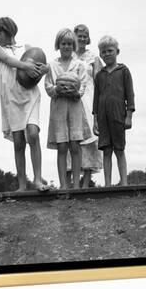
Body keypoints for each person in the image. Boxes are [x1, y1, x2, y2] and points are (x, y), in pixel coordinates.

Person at [0, 17, 49, 192]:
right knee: (18, 142)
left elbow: (40, 66)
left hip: (30, 95)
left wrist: (43, 69)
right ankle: (22, 185)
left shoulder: (27, 47)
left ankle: (38, 180)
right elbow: (8, 61)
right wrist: (26, 66)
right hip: (12, 98)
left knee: (33, 134)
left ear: (8, 31)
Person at [45, 28, 92, 189]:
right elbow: (48, 86)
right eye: (63, 43)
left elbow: (83, 84)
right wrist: (56, 89)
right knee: (62, 146)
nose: (66, 46)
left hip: (74, 107)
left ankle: (77, 185)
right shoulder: (51, 65)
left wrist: (75, 92)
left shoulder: (79, 65)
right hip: (58, 108)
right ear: (58, 45)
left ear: (74, 46)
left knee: (75, 145)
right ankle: (64, 185)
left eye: (70, 44)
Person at [93, 35, 135, 187]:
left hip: (119, 115)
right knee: (106, 151)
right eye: (103, 52)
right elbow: (96, 99)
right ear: (101, 54)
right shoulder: (99, 75)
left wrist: (129, 116)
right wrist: (95, 120)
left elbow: (130, 95)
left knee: (119, 149)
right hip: (103, 118)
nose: (107, 54)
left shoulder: (124, 71)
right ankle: (108, 185)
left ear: (117, 51)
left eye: (110, 50)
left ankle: (124, 183)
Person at [66, 24, 104, 187]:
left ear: (88, 39)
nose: (82, 38)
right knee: (69, 139)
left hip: (89, 100)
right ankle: (67, 183)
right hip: (71, 100)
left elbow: (101, 81)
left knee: (89, 140)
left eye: (85, 35)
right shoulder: (68, 54)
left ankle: (85, 184)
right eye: (79, 35)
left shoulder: (93, 57)